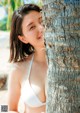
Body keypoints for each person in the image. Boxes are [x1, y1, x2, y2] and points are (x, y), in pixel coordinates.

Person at [8, 3, 48, 113]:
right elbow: (8, 108)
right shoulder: (18, 69)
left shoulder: (71, 63)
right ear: (23, 39)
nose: (41, 27)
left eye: (42, 20)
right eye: (32, 27)